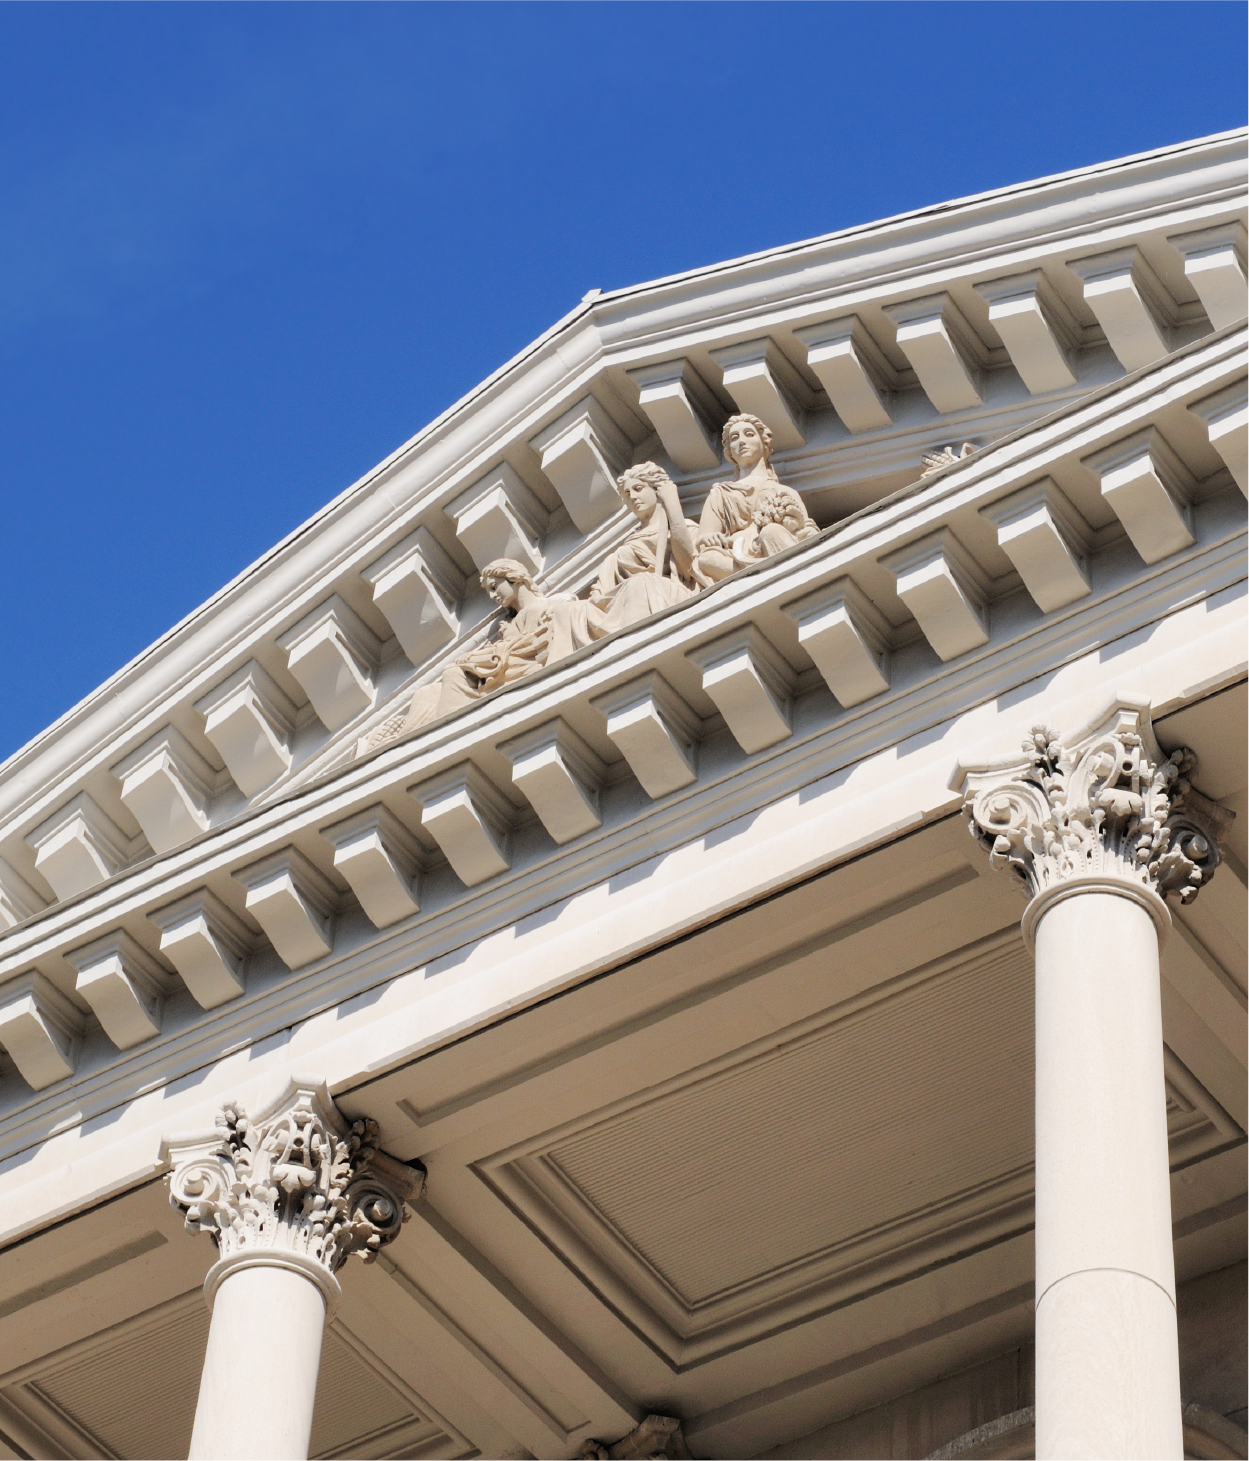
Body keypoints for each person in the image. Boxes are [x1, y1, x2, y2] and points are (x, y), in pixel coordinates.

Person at [546, 462, 699, 660]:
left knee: (640, 583)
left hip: (665, 594)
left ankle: (632, 652)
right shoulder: (620, 553)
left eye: (638, 488)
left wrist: (672, 505)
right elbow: (601, 596)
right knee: (566, 611)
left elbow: (689, 567)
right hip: (624, 603)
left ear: (657, 489)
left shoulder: (680, 529)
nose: (633, 497)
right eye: (627, 495)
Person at [395, 558, 554, 734]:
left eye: (494, 587)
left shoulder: (545, 606)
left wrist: (478, 657)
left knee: (453, 673)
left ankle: (446, 735)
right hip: (505, 665)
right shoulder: (511, 623)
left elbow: (533, 643)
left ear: (514, 577)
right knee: (427, 693)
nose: (493, 596)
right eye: (489, 592)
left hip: (523, 664)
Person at [690, 413, 817, 586]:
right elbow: (702, 541)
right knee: (706, 560)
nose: (741, 441)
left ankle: (774, 574)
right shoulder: (720, 493)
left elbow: (806, 530)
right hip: (734, 552)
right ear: (730, 452)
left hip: (773, 542)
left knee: (772, 531)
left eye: (749, 434)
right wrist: (709, 538)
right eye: (734, 438)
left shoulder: (784, 491)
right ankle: (759, 574)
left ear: (763, 442)